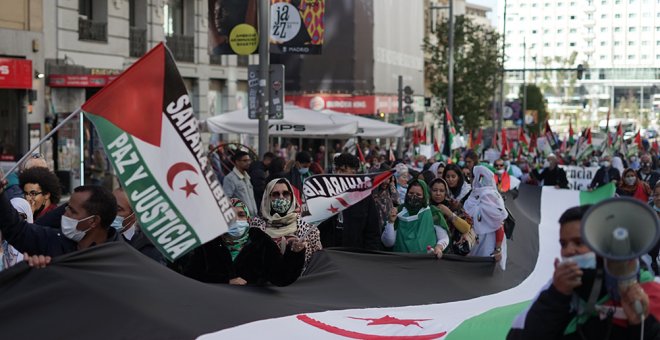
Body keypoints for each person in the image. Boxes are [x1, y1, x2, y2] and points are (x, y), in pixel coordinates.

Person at [507, 205, 660, 339]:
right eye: (563, 244)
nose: (568, 251)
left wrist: (642, 324)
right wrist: (556, 295)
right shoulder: (557, 288)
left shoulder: (646, 291)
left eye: (579, 242)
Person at [176, 198, 306, 286]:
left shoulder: (260, 241)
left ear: (248, 219)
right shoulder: (209, 243)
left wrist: (295, 254)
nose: (236, 220)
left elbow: (281, 277)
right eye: (230, 216)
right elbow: (191, 277)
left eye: (241, 215)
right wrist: (227, 281)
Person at [0, 183, 118, 257]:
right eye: (66, 208)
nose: (65, 214)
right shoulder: (56, 241)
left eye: (72, 211)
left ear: (93, 221)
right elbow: (18, 231)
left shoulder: (118, 259)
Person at [317, 153, 383, 250]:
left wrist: (369, 257)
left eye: (343, 170)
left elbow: (372, 232)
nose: (338, 174)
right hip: (329, 253)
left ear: (354, 172)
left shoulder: (364, 197)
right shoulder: (325, 193)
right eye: (336, 170)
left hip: (354, 255)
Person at [251, 178, 322, 268]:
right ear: (268, 198)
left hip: (303, 280)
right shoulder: (257, 227)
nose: (281, 197)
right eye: (276, 194)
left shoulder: (308, 226)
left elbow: (318, 260)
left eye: (286, 193)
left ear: (292, 196)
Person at [381, 179, 449, 257]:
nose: (414, 197)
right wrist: (390, 222)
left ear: (425, 196)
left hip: (426, 262)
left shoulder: (433, 213)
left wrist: (438, 248)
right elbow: (388, 243)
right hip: (400, 262)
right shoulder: (398, 211)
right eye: (411, 193)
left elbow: (444, 238)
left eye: (418, 194)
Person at [464, 166, 508, 268]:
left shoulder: (489, 195)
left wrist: (498, 249)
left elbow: (499, 223)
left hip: (489, 241)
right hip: (474, 240)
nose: (470, 179)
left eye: (472, 176)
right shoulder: (475, 194)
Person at [112, 188, 163, 264]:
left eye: (118, 209)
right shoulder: (93, 233)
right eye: (108, 205)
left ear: (134, 215)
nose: (109, 211)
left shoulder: (148, 250)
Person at [429, 178, 475, 255]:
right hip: (430, 249)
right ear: (430, 191)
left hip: (451, 252)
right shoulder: (425, 208)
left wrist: (449, 213)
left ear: (446, 192)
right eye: (434, 190)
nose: (438, 193)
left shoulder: (453, 206)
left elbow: (466, 228)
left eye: (441, 191)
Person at [222, 151, 258, 216]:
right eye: (245, 161)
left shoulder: (247, 177)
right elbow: (227, 199)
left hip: (253, 217)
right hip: (241, 219)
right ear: (237, 162)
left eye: (249, 160)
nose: (248, 163)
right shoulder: (230, 178)